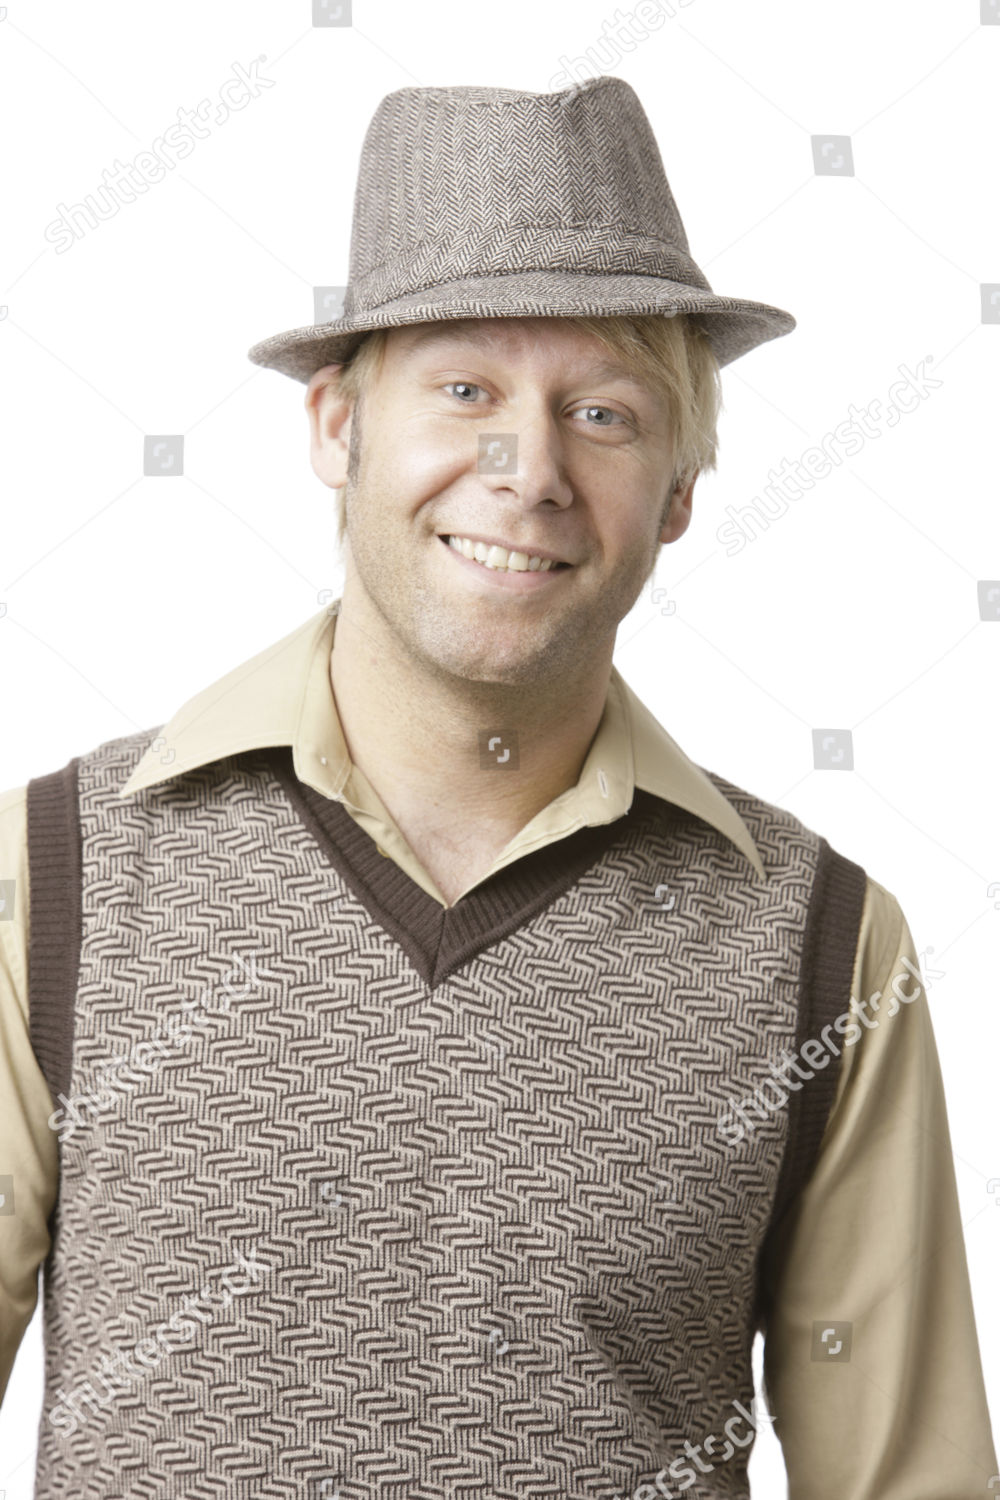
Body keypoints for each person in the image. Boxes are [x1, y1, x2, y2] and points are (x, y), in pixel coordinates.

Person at [1, 76, 995, 1499]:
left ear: (679, 494)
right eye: (464, 388)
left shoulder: (826, 948)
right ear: (338, 429)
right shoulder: (55, 883)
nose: (527, 470)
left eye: (601, 411)